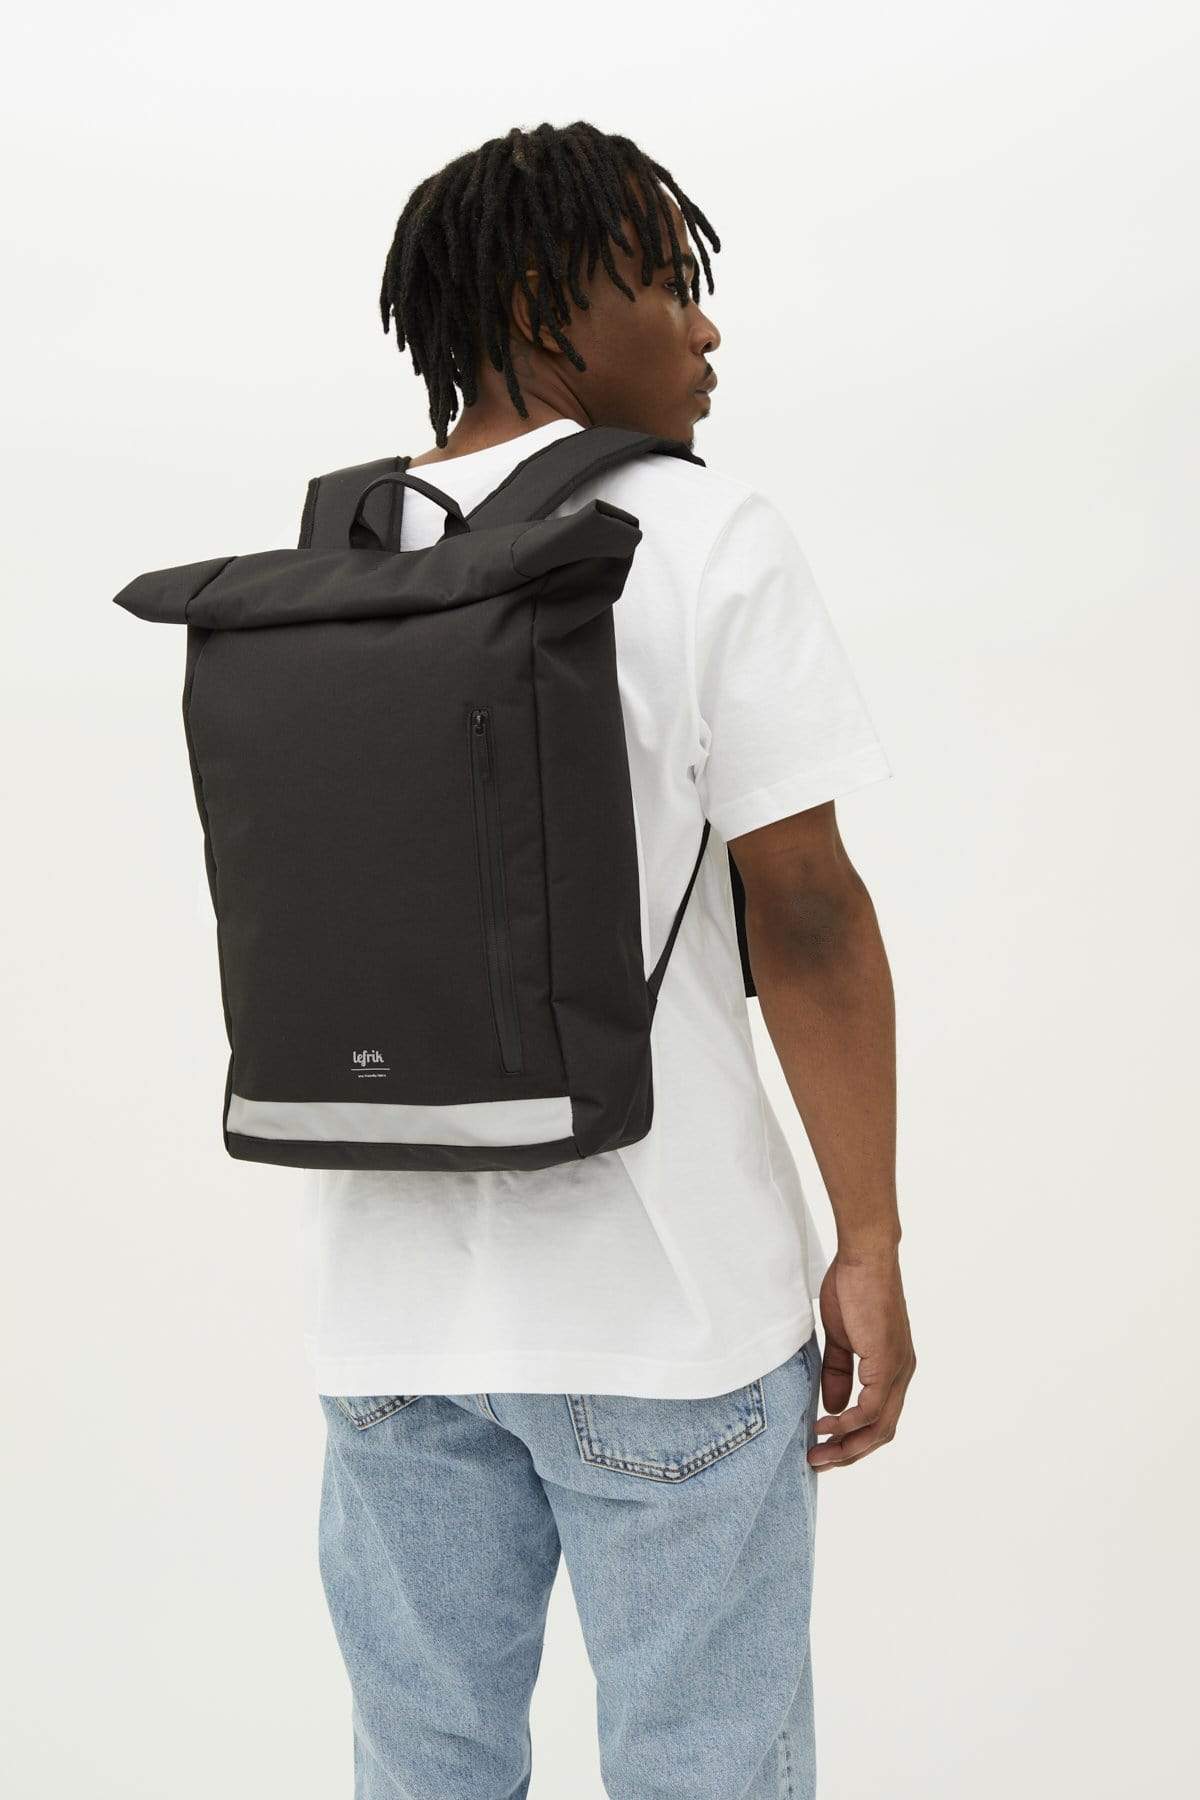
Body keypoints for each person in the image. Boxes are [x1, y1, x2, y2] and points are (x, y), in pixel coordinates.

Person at [305, 120, 915, 1800]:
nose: (707, 329)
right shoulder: (709, 537)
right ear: (539, 304)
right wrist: (868, 1236)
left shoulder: (344, 552)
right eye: (665, 281)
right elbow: (808, 915)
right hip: (670, 1312)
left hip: (389, 1324)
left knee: (423, 1770)